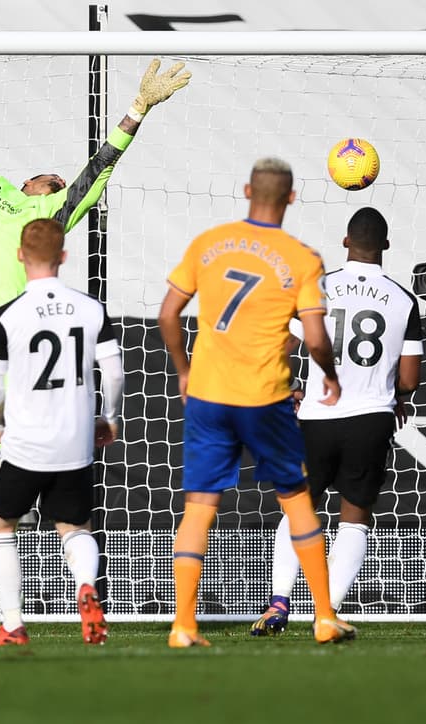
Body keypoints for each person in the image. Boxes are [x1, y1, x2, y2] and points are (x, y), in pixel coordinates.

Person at [0, 46, 189, 583]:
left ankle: (1, 542)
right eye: (53, 181)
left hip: (7, 334)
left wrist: (138, 108)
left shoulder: (54, 213)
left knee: (4, 445)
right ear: (29, 181)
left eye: (63, 189)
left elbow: (99, 168)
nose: (60, 187)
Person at [157, 157, 357, 648]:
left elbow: (167, 313)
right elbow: (314, 338)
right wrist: (329, 375)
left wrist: (184, 371)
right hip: (265, 398)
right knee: (297, 500)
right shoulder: (301, 257)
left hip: (207, 395)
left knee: (200, 507)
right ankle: (324, 618)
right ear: (291, 198)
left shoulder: (208, 243)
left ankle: (183, 626)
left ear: (247, 190)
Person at [253, 207, 422, 634]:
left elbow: (284, 345)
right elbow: (408, 378)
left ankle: (278, 604)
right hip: (370, 419)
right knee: (354, 518)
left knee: (300, 511)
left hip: (317, 416)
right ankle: (325, 614)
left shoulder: (320, 287)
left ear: (346, 242)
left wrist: (286, 388)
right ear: (385, 246)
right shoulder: (404, 299)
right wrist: (397, 396)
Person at [0, 219, 123, 646]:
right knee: (76, 526)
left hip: (26, 442)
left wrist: (1, 419)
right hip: (75, 441)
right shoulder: (91, 308)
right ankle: (86, 587)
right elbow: (113, 372)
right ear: (64, 256)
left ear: (20, 256)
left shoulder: (7, 315)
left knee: (1, 524)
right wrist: (109, 417)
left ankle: (12, 625)